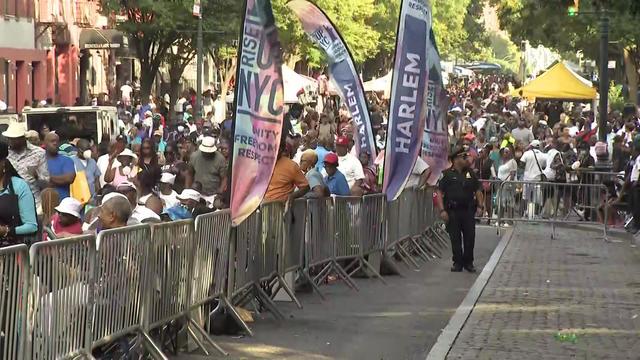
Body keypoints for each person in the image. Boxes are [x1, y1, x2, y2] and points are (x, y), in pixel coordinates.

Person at [437, 146, 483, 273]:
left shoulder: (470, 173)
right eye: (464, 157)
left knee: (470, 237)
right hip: (453, 211)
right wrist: (442, 210)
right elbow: (439, 193)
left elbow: (478, 190)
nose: (466, 159)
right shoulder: (446, 174)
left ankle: (469, 262)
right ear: (456, 159)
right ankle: (457, 262)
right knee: (455, 238)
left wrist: (480, 206)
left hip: (468, 210)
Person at [4, 122, 50, 212]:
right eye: (9, 138)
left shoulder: (39, 153)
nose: (10, 141)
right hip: (9, 203)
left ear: (22, 138)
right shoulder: (5, 153)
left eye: (14, 139)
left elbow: (46, 182)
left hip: (33, 203)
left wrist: (36, 176)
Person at [0, 142, 38, 246]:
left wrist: (6, 230)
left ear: (3, 163)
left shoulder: (18, 186)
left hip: (13, 250)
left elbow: (31, 226)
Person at [190, 136, 227, 203]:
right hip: (197, 193)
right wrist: (189, 189)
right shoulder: (194, 156)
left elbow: (224, 178)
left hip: (213, 194)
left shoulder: (220, 159)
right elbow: (190, 174)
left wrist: (220, 192)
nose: (206, 153)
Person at [44, 133, 76, 200]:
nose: (55, 143)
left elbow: (69, 178)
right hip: (43, 204)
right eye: (52, 141)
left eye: (57, 141)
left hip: (62, 204)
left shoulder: (67, 160)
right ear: (45, 143)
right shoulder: (39, 161)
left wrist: (45, 177)